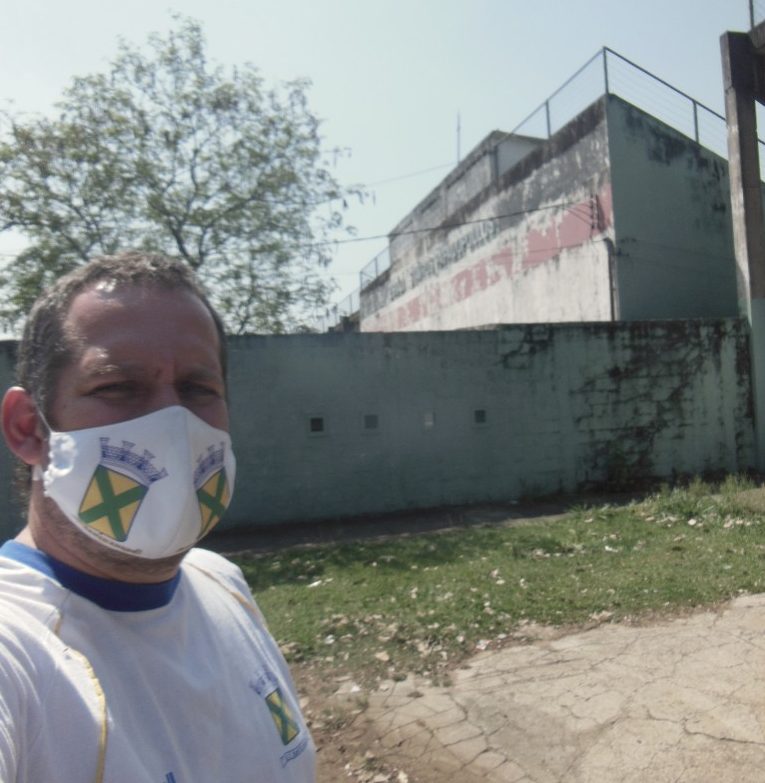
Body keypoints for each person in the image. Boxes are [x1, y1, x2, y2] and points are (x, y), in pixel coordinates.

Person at [0, 252, 315, 782]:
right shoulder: (17, 654)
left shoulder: (222, 582)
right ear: (29, 428)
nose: (172, 423)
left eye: (198, 389)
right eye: (118, 387)